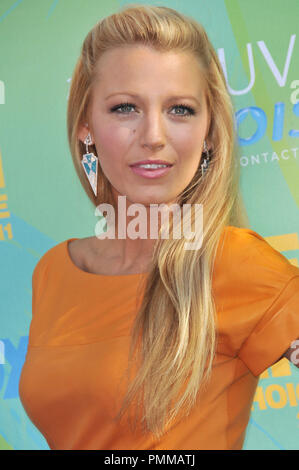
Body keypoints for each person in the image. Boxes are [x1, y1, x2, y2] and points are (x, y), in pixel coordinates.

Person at [18, 4, 299, 450]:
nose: (153, 135)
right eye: (126, 107)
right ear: (86, 127)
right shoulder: (54, 270)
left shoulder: (233, 261)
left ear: (209, 133)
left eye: (180, 110)